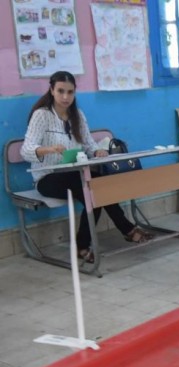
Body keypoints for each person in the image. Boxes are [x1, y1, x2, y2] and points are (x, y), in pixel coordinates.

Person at [21, 71, 153, 264]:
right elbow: (26, 150)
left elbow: (89, 144)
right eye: (60, 91)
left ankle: (85, 245)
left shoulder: (77, 115)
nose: (66, 97)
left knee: (95, 189)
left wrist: (98, 151)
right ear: (51, 90)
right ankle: (125, 230)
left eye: (70, 92)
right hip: (47, 177)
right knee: (92, 190)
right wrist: (47, 149)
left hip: (75, 174)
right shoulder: (42, 115)